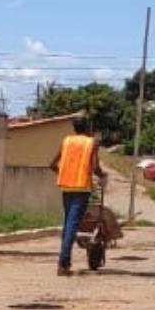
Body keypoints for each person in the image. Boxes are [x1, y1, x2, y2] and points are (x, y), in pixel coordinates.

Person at [49, 116, 106, 276]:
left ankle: (64, 262)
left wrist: (65, 173)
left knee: (68, 223)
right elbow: (95, 167)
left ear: (74, 127)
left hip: (66, 187)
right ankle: (63, 263)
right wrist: (102, 175)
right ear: (87, 127)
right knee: (72, 226)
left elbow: (52, 164)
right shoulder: (91, 143)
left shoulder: (66, 141)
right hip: (81, 187)